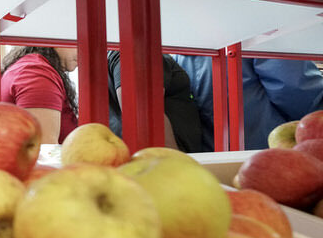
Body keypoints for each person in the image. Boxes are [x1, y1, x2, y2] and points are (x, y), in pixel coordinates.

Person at [172, 55, 323, 151]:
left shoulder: (177, 43)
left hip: (210, 162)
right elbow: (298, 91)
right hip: (263, 152)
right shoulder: (257, 22)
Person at [107, 51, 203, 152]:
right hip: (167, 159)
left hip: (149, 159)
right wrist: (172, 162)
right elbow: (145, 116)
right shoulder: (131, 53)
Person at [0, 46, 78, 144]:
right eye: (76, 39)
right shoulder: (38, 74)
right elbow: (44, 150)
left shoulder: (30, 66)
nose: (86, 50)